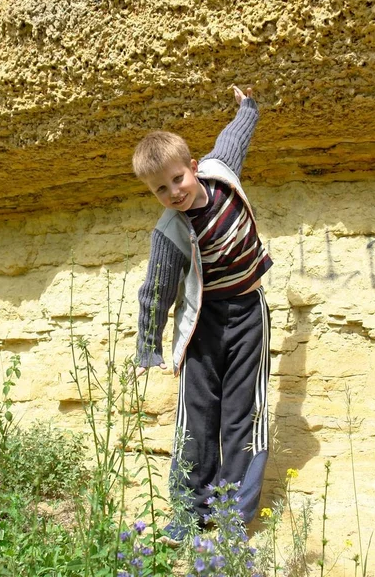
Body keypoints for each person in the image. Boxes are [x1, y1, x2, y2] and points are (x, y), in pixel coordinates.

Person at [132, 86, 272, 544]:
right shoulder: (170, 231)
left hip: (249, 309)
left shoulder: (221, 172)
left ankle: (232, 514)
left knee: (241, 415)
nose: (173, 192)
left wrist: (247, 107)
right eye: (160, 189)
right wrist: (149, 344)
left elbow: (236, 137)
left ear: (193, 168)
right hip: (204, 325)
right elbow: (156, 291)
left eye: (177, 179)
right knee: (196, 418)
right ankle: (188, 512)